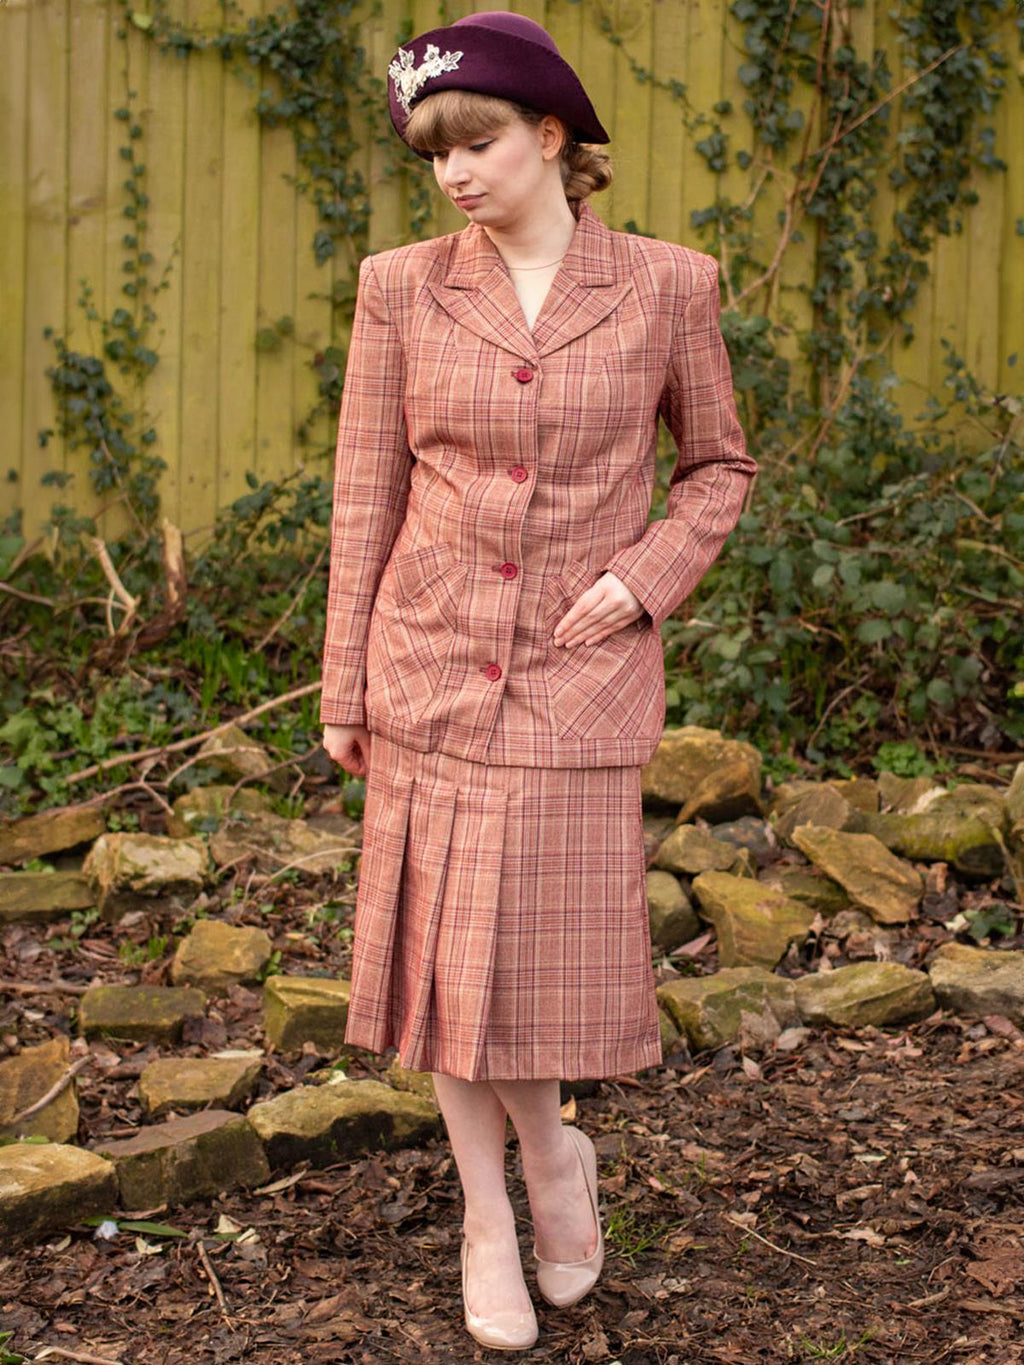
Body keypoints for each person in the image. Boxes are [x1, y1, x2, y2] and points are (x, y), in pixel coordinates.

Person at [320, 10, 758, 1351]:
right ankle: (490, 1217)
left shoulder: (668, 286)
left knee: (526, 965)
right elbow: (365, 491)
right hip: (430, 668)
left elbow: (719, 466)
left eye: (478, 143)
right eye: (433, 153)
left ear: (553, 135)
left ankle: (558, 1152)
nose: (453, 173)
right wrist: (344, 685)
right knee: (452, 971)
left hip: (576, 673)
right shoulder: (400, 287)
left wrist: (646, 578)